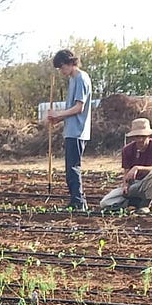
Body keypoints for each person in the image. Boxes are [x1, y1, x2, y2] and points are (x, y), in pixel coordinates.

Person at [45, 49, 93, 211]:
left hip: (78, 131)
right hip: (71, 130)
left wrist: (59, 113)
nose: (61, 71)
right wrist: (58, 119)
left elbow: (79, 107)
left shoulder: (81, 78)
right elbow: (72, 109)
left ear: (71, 63)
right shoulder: (73, 79)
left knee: (73, 168)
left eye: (62, 67)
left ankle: (78, 202)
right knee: (70, 168)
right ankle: (76, 200)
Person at [100, 118, 152, 213]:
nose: (140, 140)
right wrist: (125, 186)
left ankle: (145, 204)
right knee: (105, 203)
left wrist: (137, 168)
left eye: (143, 136)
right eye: (137, 137)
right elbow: (126, 173)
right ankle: (132, 204)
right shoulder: (127, 149)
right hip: (134, 185)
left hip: (147, 183)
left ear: (148, 135)